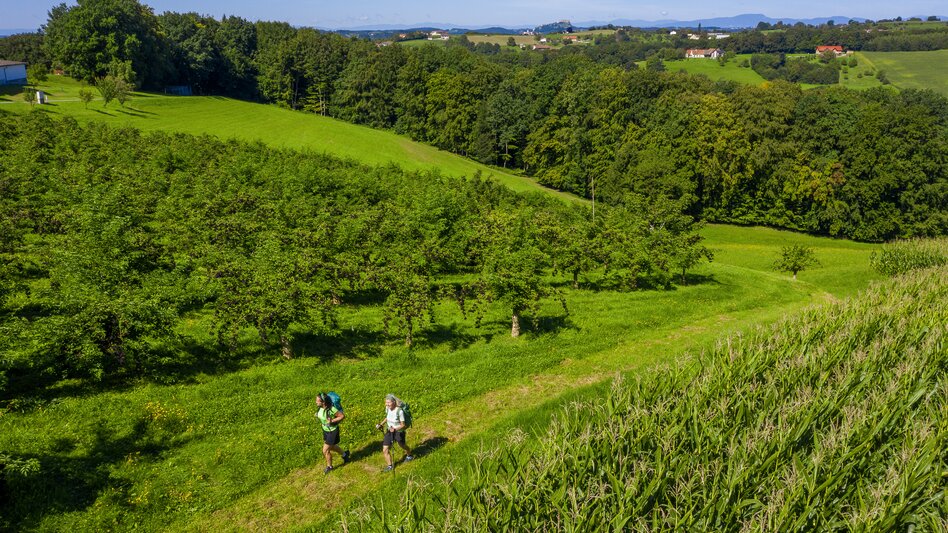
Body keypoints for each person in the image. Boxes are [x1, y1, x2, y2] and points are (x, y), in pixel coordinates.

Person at [376, 393, 413, 472]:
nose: (387, 404)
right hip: (389, 431)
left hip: (399, 431)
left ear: (393, 402)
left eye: (389, 402)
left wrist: (395, 429)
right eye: (386, 402)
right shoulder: (388, 408)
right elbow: (387, 417)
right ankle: (390, 466)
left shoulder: (399, 411)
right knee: (385, 449)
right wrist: (381, 424)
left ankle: (409, 455)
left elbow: (403, 425)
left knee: (402, 445)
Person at [315, 393, 349, 474]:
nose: (316, 402)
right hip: (325, 430)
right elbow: (323, 416)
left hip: (332, 431)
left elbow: (342, 416)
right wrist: (317, 415)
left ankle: (329, 467)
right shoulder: (320, 408)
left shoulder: (331, 409)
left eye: (317, 400)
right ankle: (345, 455)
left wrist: (332, 421)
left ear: (323, 402)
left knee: (325, 450)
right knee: (332, 446)